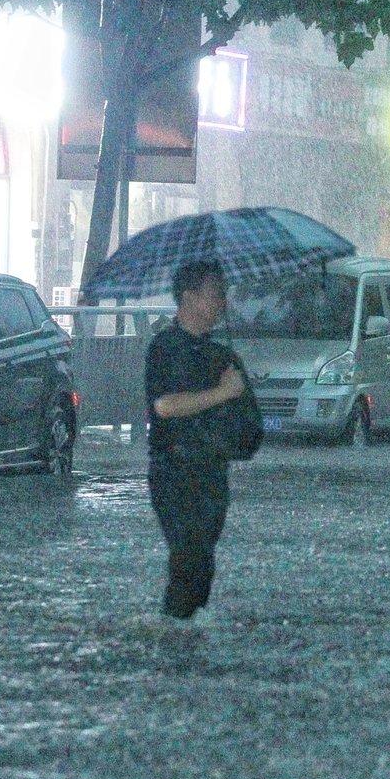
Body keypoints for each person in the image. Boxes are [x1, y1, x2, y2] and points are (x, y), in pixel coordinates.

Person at [145, 260, 245, 620]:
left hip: (212, 472)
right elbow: (165, 405)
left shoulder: (217, 352)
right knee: (190, 557)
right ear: (189, 297)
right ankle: (172, 634)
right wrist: (222, 393)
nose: (223, 303)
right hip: (175, 472)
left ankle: (185, 635)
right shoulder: (165, 348)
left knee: (203, 564)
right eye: (216, 294)